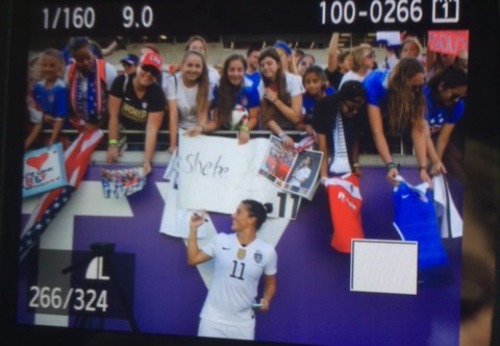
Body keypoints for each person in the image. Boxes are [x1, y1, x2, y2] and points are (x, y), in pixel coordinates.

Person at [187, 200, 277, 341]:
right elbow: (193, 259)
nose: (232, 215)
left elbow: (270, 283)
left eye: (238, 212)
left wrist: (266, 299)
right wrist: (193, 229)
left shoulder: (267, 251)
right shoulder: (221, 240)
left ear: (251, 219)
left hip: (243, 325)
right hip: (212, 321)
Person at [362, 57, 444, 186]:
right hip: (367, 119)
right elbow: (377, 132)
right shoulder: (374, 84)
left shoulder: (417, 87)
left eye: (420, 86)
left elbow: (418, 129)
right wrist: (390, 165)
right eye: (413, 87)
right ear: (401, 83)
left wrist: (422, 167)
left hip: (393, 109)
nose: (417, 90)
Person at [106, 52, 166, 175]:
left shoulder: (157, 93)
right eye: (146, 68)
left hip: (149, 139)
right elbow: (113, 116)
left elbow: (152, 129)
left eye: (153, 72)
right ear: (138, 66)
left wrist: (147, 160)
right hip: (128, 136)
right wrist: (112, 144)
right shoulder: (121, 82)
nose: (148, 74)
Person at [312, 80, 366, 179]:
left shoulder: (358, 111)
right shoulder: (324, 107)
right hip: (327, 153)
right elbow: (322, 147)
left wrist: (355, 164)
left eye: (357, 108)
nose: (355, 112)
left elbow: (355, 139)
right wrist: (324, 177)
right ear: (341, 101)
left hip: (345, 156)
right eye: (351, 108)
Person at [203, 54, 260, 144]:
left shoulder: (251, 88)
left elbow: (254, 118)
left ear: (244, 70)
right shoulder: (219, 87)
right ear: (226, 71)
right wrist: (202, 128)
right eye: (231, 70)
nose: (235, 74)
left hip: (245, 137)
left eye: (239, 70)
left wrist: (245, 129)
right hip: (224, 135)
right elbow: (217, 120)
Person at [424, 65, 468, 180]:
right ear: (441, 86)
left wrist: (437, 162)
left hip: (436, 134)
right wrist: (435, 161)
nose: (456, 100)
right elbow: (423, 135)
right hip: (418, 133)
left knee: (455, 160)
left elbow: (443, 138)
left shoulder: (458, 106)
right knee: (428, 162)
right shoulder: (423, 97)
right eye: (454, 95)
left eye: (460, 96)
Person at [65, 36, 117, 132]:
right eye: (80, 60)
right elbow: (67, 104)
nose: (85, 62)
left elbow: (113, 105)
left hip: (103, 128)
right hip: (78, 128)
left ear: (91, 51)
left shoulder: (107, 70)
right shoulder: (68, 72)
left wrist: (97, 126)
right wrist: (79, 123)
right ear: (74, 58)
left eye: (88, 57)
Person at [166, 50, 211, 153]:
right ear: (182, 66)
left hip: (197, 130)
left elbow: (202, 114)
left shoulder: (206, 84)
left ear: (202, 68)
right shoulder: (173, 82)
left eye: (197, 66)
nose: (193, 69)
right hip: (179, 131)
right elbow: (173, 115)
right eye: (189, 65)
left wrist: (199, 131)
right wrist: (173, 145)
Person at [258, 47, 303, 148]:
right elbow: (266, 117)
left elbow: (295, 117)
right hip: (273, 132)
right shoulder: (261, 85)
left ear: (278, 64)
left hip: (292, 132)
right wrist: (282, 135)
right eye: (262, 65)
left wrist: (275, 100)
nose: (265, 67)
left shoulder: (293, 80)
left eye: (269, 63)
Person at [25, 48, 68, 149]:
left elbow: (59, 118)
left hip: (54, 134)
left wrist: (53, 139)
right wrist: (42, 117)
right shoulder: (37, 87)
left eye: (52, 66)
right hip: (38, 132)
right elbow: (34, 109)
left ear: (60, 67)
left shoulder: (60, 88)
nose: (47, 69)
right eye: (44, 65)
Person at [298, 65, 334, 135]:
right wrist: (306, 126)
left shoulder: (331, 93)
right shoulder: (302, 99)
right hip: (312, 135)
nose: (311, 85)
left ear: (323, 81)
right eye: (308, 82)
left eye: (315, 81)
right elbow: (297, 125)